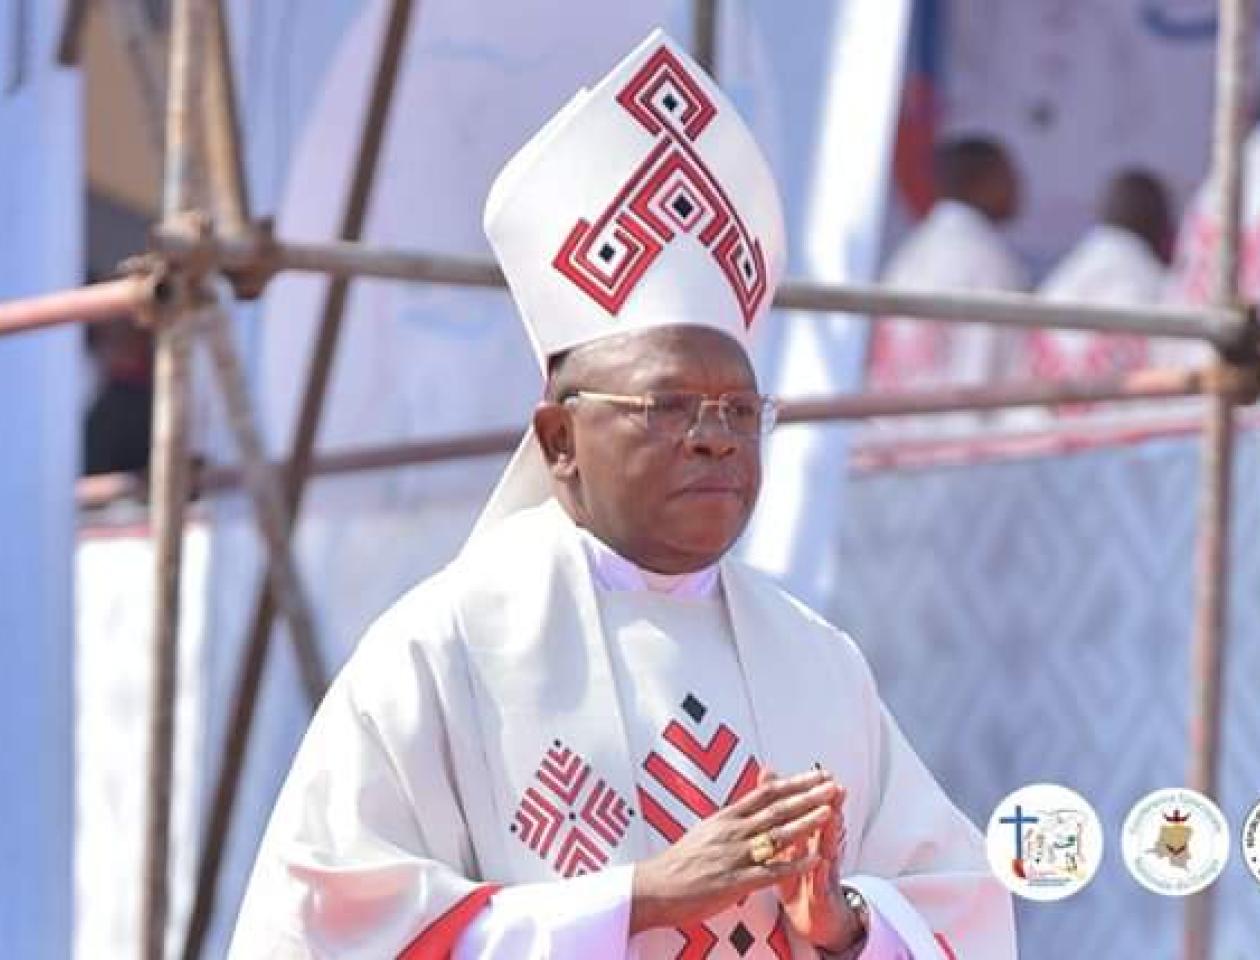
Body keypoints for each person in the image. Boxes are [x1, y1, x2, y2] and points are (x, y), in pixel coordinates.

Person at [229, 31, 1016, 959]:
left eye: (739, 408)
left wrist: (843, 925)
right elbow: (330, 930)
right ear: (560, 441)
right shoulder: (441, 653)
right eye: (668, 405)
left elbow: (961, 913)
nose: (716, 433)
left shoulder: (819, 661)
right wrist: (640, 899)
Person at [867, 136, 1026, 395]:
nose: (1018, 188)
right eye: (1009, 177)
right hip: (948, 424)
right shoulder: (985, 258)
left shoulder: (913, 250)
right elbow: (982, 371)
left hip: (889, 424)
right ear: (982, 181)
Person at [1025, 169, 1173, 383]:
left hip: (1047, 413)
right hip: (1128, 415)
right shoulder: (1155, 286)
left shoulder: (1060, 281)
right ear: (1162, 223)